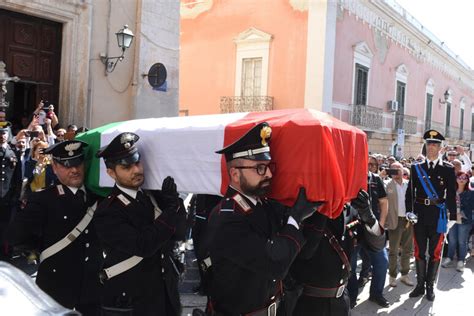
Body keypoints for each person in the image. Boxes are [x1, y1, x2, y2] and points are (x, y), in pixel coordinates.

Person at [205, 122, 321, 315]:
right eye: (259, 168)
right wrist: (295, 218)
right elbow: (274, 263)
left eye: (268, 167)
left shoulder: (262, 205)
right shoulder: (227, 217)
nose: (268, 174)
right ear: (235, 174)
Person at [94, 132, 186, 316]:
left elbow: (181, 233)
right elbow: (143, 245)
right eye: (126, 167)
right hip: (132, 301)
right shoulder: (108, 210)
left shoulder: (153, 197)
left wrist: (176, 203)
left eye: (137, 162)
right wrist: (169, 212)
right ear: (111, 173)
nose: (136, 170)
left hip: (165, 295)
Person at [7, 140, 103, 315]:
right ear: (55, 167)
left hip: (92, 286)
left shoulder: (97, 198)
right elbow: (16, 235)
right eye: (67, 165)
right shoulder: (43, 200)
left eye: (78, 163)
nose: (74, 170)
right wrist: (42, 247)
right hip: (57, 284)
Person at [288, 190, 379, 316]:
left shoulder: (351, 209)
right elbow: (305, 252)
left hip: (341, 301)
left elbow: (376, 246)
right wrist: (322, 210)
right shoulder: (306, 207)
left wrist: (369, 218)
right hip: (307, 303)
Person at [406, 130, 456, 301]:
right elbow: (409, 194)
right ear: (425, 146)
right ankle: (419, 285)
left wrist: (453, 218)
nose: (431, 147)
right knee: (419, 252)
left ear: (440, 148)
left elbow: (451, 195)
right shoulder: (416, 168)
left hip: (438, 216)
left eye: (435, 144)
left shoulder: (447, 169)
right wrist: (409, 212)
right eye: (429, 144)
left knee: (434, 253)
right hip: (419, 215)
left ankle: (429, 287)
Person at [348, 169, 389, 308]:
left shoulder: (375, 178)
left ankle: (376, 294)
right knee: (351, 267)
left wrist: (381, 225)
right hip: (353, 229)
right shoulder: (348, 174)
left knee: (382, 263)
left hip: (373, 228)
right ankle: (351, 297)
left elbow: (384, 202)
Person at [384, 162, 414, 287]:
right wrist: (383, 174)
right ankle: (392, 276)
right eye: (393, 170)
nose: (396, 172)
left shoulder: (409, 185)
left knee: (407, 249)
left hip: (408, 221)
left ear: (403, 171)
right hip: (394, 220)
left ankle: (405, 275)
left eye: (398, 169)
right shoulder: (387, 185)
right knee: (393, 250)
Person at [442, 171, 474, 272]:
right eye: (460, 177)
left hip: (464, 220)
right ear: (456, 179)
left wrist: (462, 213)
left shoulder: (471, 192)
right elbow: (446, 203)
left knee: (462, 241)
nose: (462, 179)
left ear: (467, 180)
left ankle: (461, 261)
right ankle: (449, 258)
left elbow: (471, 207)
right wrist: (447, 213)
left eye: (464, 178)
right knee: (452, 240)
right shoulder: (451, 191)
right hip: (451, 219)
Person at [0, 122, 21, 261]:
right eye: (0, 134)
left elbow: (17, 178)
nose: (2, 136)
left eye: (4, 133)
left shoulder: (13, 152)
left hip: (7, 198)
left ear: (8, 135)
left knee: (4, 227)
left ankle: (4, 254)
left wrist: (15, 196)